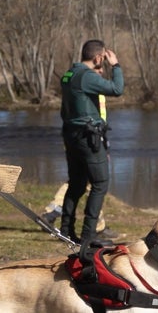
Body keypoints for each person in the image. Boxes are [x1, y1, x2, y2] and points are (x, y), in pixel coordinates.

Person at [59, 40, 124, 246]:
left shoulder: (70, 74)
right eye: (103, 59)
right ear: (98, 58)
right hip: (88, 137)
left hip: (71, 135)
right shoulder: (86, 76)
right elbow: (116, 89)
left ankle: (66, 229)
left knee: (77, 184)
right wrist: (116, 66)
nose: (103, 62)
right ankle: (89, 235)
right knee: (100, 183)